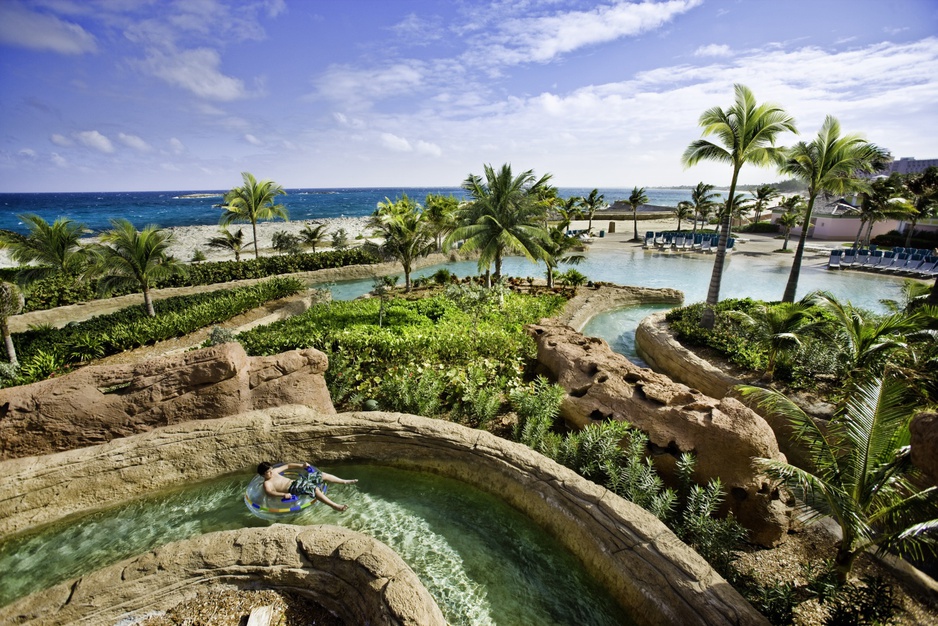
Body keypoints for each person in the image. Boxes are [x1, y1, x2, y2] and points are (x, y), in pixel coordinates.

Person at [257, 461, 357, 512]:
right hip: (293, 488)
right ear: (262, 475)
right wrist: (284, 494)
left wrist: (302, 466)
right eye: (268, 472)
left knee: (321, 475)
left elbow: (288, 466)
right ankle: (334, 506)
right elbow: (269, 493)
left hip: (298, 482)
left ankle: (343, 481)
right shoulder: (267, 483)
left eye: (270, 470)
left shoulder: (274, 472)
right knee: (313, 488)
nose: (271, 472)